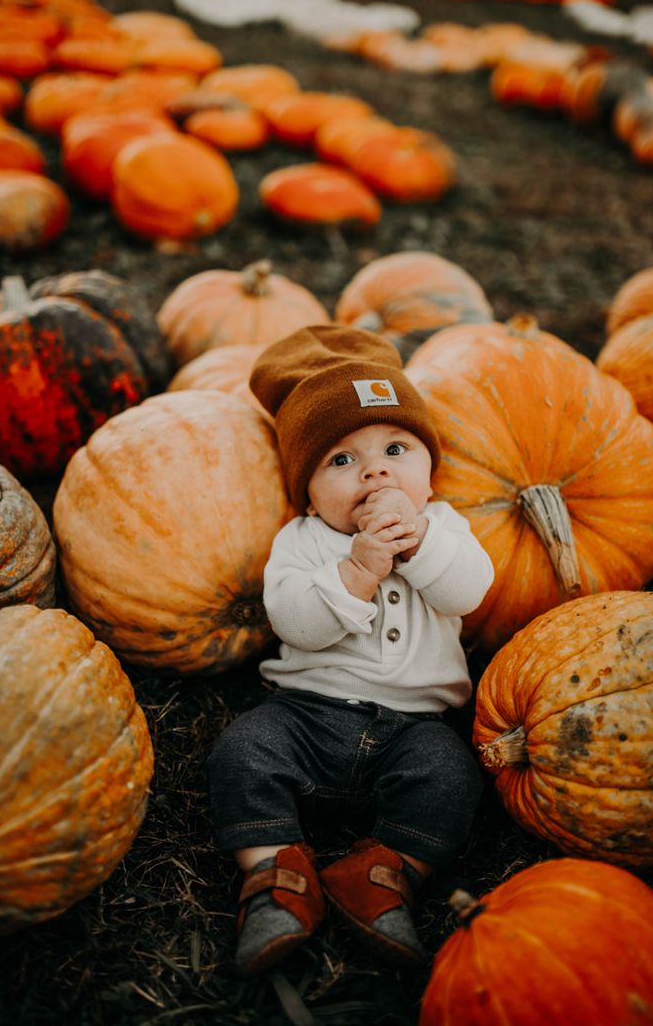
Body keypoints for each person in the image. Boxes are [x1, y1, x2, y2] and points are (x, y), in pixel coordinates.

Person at [206, 324, 494, 977]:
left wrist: (418, 546)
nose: (374, 470)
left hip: (415, 729)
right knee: (242, 754)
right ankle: (276, 874)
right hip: (305, 714)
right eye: (340, 460)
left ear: (429, 470)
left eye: (396, 448)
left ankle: (383, 871)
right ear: (306, 490)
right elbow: (297, 623)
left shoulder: (444, 527)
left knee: (451, 777)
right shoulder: (304, 541)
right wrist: (357, 571)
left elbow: (469, 593)